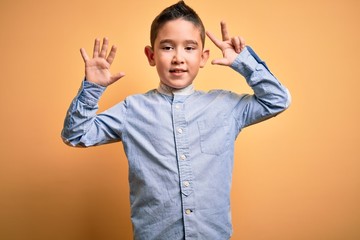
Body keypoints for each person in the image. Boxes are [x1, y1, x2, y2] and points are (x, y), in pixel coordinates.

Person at [61, 1, 291, 239]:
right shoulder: (132, 110)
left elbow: (277, 100)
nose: (178, 58)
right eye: (167, 47)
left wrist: (245, 63)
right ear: (151, 55)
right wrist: (92, 89)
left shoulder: (225, 106)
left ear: (203, 57)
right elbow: (76, 134)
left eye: (189, 48)